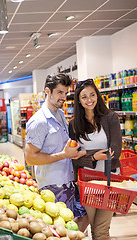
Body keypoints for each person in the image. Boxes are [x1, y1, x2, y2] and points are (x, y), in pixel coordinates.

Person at [24, 74, 88, 228]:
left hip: (67, 179)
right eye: (59, 92)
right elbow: (30, 158)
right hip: (53, 186)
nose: (63, 97)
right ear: (48, 91)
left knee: (84, 216)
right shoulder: (39, 121)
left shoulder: (59, 113)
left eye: (65, 93)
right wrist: (64, 155)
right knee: (61, 228)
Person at [68, 79, 122, 240]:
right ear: (78, 100)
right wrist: (93, 156)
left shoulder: (111, 118)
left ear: (97, 96)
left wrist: (85, 153)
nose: (89, 99)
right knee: (92, 224)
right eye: (84, 97)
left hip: (110, 180)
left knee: (101, 229)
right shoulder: (74, 125)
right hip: (87, 182)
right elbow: (73, 158)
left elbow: (114, 152)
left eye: (92, 95)